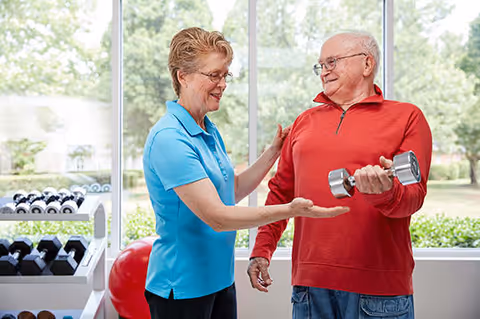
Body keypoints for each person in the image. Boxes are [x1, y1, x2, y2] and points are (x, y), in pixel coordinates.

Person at [142, 27, 350, 319]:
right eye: (214, 75)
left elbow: (233, 189)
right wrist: (289, 210)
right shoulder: (169, 138)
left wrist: (273, 152)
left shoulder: (207, 129)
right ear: (183, 76)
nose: (223, 84)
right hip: (182, 289)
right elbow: (218, 216)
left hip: (219, 281)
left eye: (225, 75)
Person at [247, 31, 432, 319]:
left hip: (379, 291)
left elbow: (413, 197)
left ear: (367, 64)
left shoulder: (407, 117)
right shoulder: (304, 122)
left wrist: (384, 192)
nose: (324, 70)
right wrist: (262, 249)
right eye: (320, 64)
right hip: (309, 286)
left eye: (332, 61)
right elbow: (281, 192)